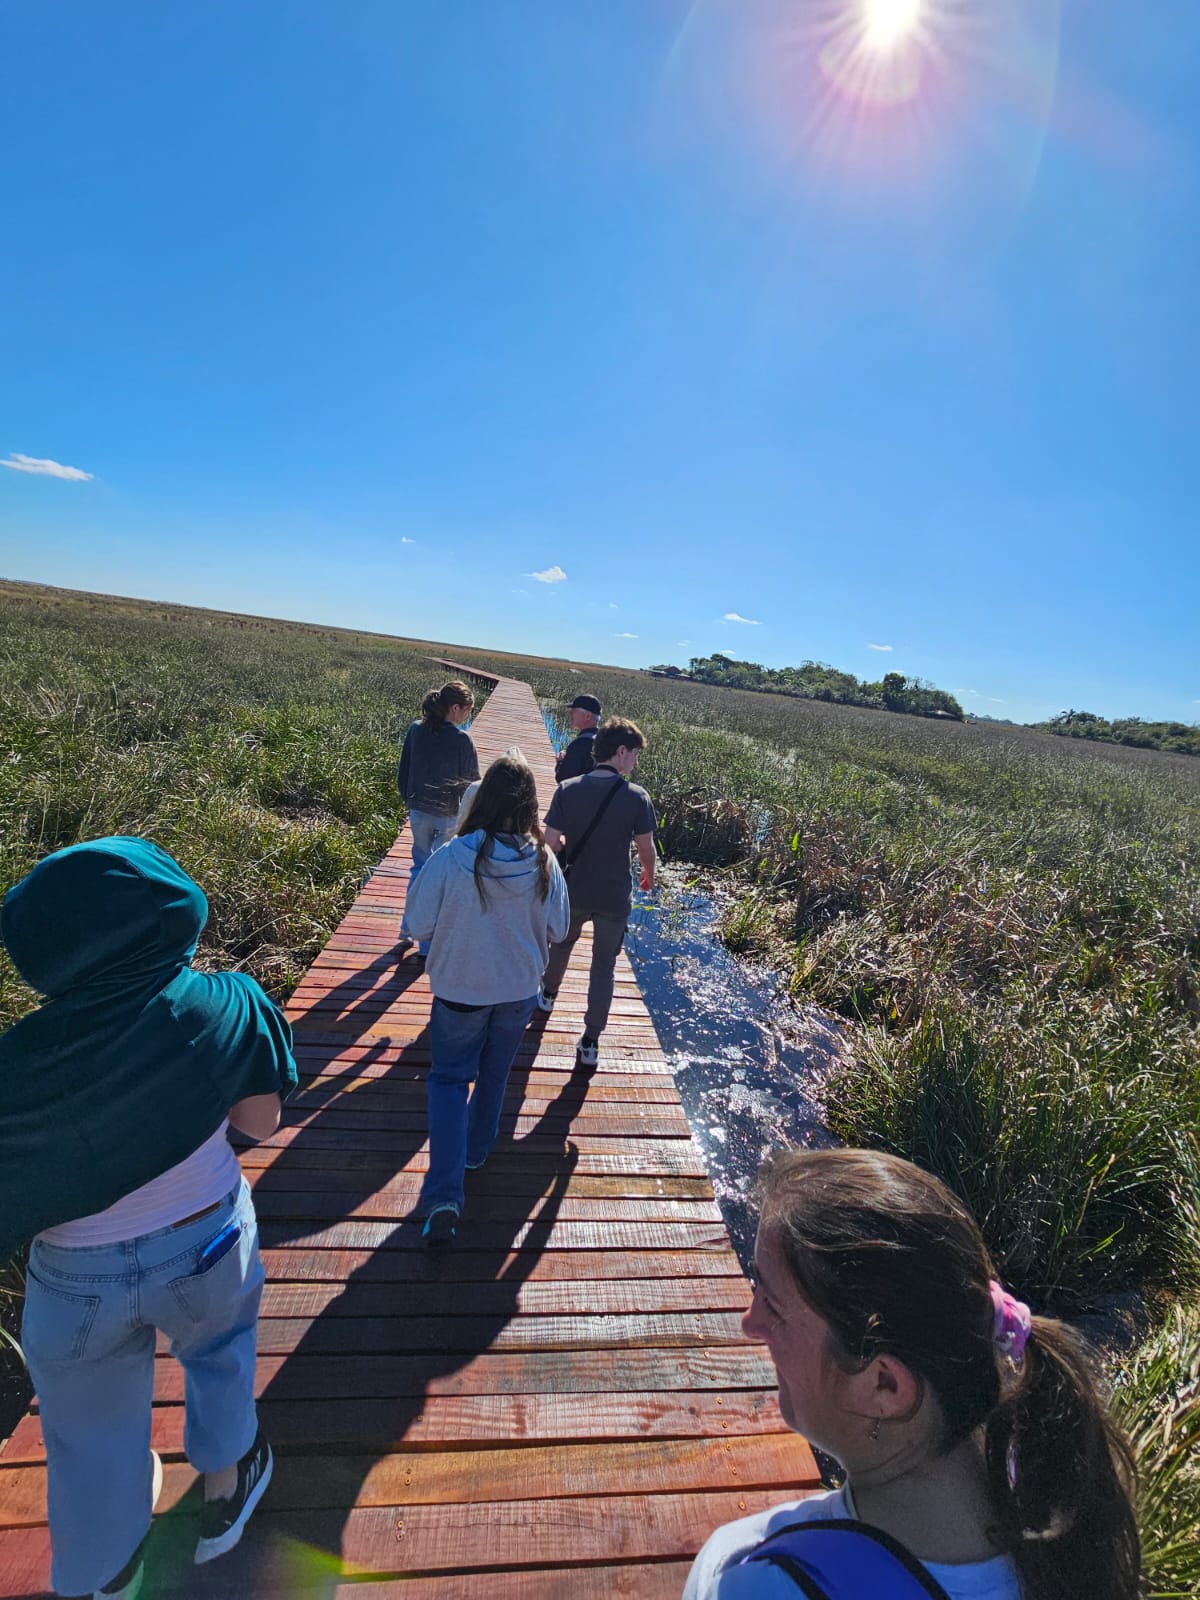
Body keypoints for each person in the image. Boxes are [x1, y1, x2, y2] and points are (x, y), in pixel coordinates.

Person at [0, 837, 298, 1600]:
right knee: (222, 1350)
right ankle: (227, 1489)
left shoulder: (16, 1066)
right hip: (206, 1241)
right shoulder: (223, 1004)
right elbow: (260, 1123)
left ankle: (107, 1574)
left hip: (72, 1283)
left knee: (89, 1440)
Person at [684, 1148, 1139, 1600]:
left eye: (773, 1305)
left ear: (885, 1386)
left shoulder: (751, 1576)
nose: (750, 1323)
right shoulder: (1058, 1523)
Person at [403, 753, 570, 1246]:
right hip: (518, 992)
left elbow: (416, 925)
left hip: (458, 994)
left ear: (483, 799)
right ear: (529, 806)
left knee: (450, 1082)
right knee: (495, 1074)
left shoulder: (452, 856)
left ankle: (445, 1195)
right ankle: (477, 1152)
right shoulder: (544, 859)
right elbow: (560, 928)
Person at [539, 716, 656, 1068]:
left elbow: (550, 842)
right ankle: (590, 1041)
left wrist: (563, 853)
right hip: (614, 897)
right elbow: (646, 848)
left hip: (574, 889)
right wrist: (648, 875)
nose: (635, 762)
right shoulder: (637, 797)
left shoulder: (568, 789)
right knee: (604, 966)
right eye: (634, 754)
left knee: (561, 944)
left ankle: (547, 995)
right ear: (621, 752)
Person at [396, 680, 480, 959]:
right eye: (468, 711)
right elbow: (472, 786)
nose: (467, 717)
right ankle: (427, 946)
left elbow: (403, 771)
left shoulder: (416, 730)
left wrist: (409, 800)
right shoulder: (462, 740)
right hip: (447, 817)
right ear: (455, 708)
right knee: (438, 875)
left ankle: (407, 929)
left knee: (418, 869)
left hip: (418, 811)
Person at [554, 693, 601, 782]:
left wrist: (560, 762)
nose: (570, 713)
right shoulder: (605, 741)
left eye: (574, 711)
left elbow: (563, 779)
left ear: (587, 716)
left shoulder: (579, 745)